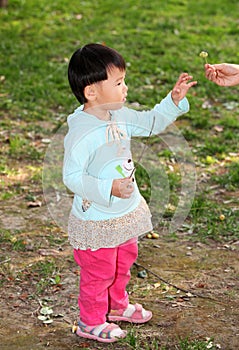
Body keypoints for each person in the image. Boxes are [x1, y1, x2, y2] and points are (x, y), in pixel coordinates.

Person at [63, 43, 197, 343]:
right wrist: (108, 187)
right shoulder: (81, 132)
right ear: (91, 92)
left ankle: (115, 306)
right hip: (98, 217)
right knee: (99, 271)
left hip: (124, 212)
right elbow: (71, 176)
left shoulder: (118, 115)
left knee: (124, 260)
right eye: (119, 82)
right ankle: (91, 320)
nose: (126, 88)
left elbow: (150, 122)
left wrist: (172, 102)